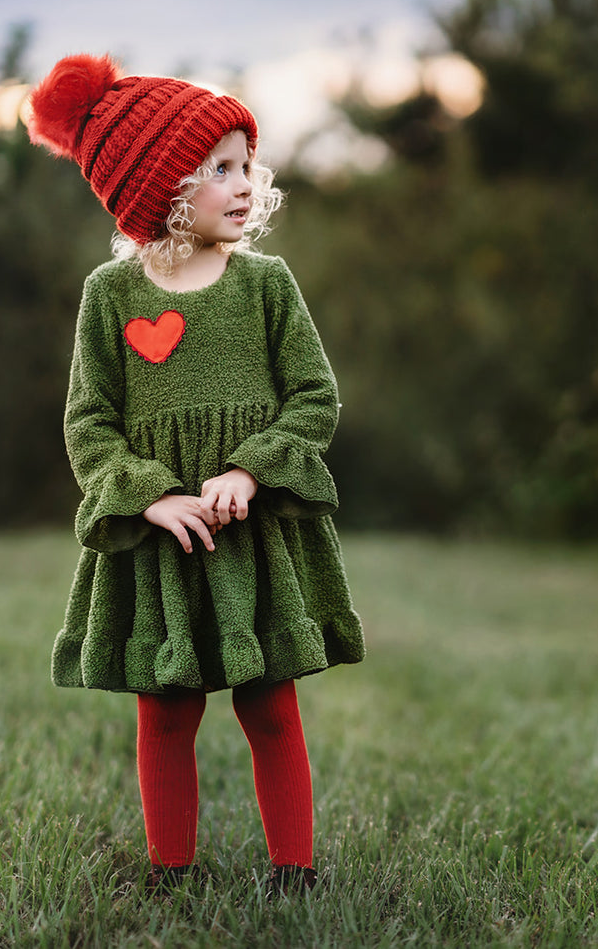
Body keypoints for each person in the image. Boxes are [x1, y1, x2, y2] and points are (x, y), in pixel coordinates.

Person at [24, 53, 365, 896]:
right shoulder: (109, 297)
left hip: (253, 532)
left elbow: (313, 397)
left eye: (247, 164)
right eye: (218, 168)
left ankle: (296, 871)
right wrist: (153, 494)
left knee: (269, 706)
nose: (244, 183)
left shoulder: (264, 286)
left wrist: (249, 471)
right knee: (167, 709)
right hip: (162, 538)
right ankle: (170, 871)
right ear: (157, 187)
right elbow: (89, 423)